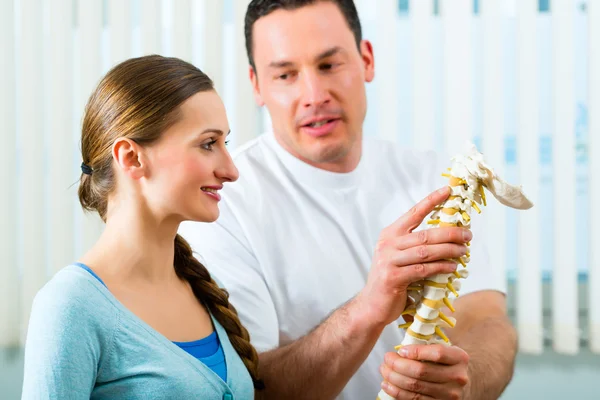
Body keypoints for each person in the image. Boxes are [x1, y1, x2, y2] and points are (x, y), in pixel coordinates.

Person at [180, 1, 518, 400]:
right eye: (286, 74)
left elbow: (486, 320)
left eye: (329, 65)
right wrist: (369, 308)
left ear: (366, 60)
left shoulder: (434, 178)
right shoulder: (220, 205)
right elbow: (251, 388)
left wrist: (466, 379)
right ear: (257, 86)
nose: (314, 95)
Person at [21, 55, 264, 399]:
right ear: (132, 158)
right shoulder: (70, 308)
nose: (230, 169)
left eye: (225, 142)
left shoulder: (206, 290)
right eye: (208, 143)